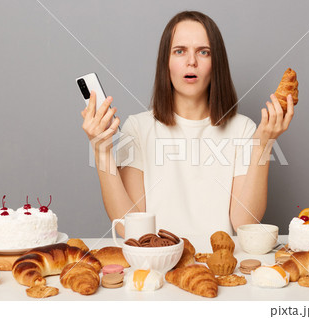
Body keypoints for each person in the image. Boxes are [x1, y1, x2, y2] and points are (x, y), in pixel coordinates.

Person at [81, 11, 294, 239]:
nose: (191, 61)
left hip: (218, 267)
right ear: (166, 63)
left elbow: (244, 223)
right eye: (179, 51)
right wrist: (101, 152)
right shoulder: (138, 128)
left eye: (203, 52)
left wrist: (264, 144)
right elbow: (129, 228)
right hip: (158, 265)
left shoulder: (243, 130)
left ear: (216, 64)